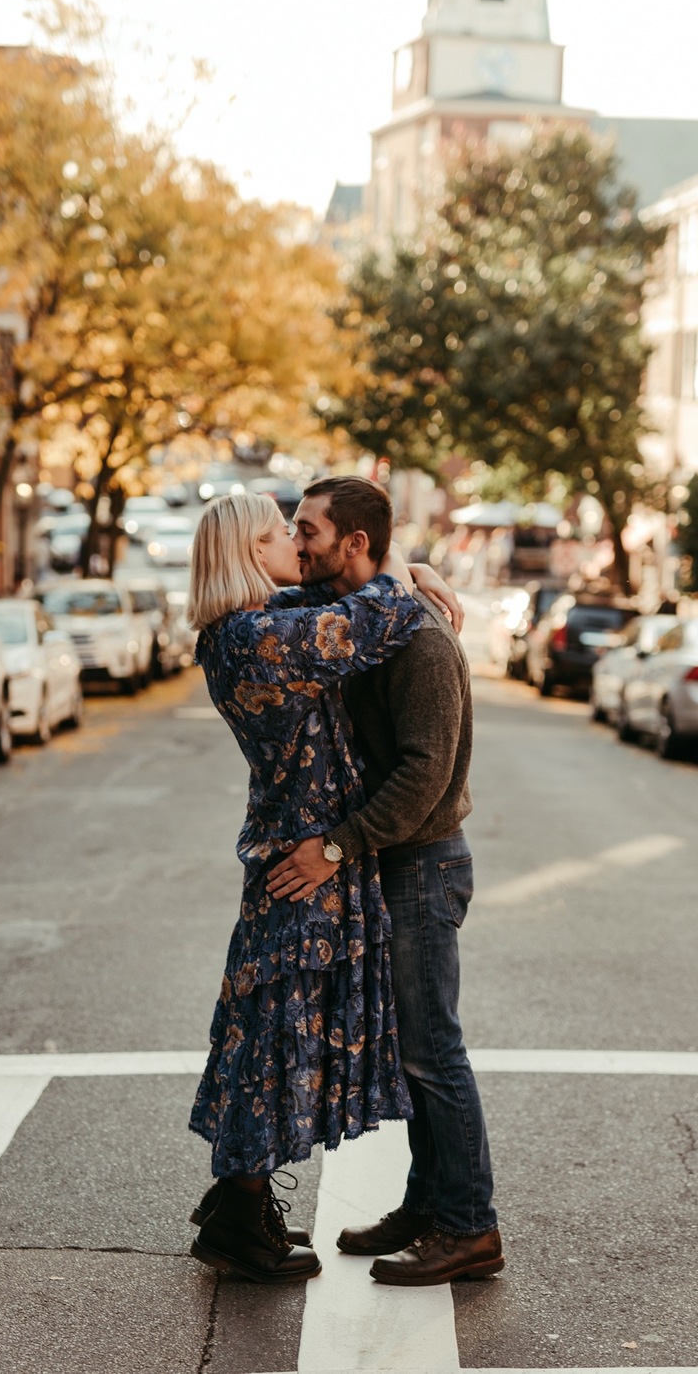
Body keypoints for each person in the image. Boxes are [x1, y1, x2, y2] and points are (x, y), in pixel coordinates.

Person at [184, 491, 430, 1286]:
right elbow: (369, 617)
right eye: (280, 533)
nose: (295, 543)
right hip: (302, 864)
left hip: (297, 851)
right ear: (252, 552)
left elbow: (331, 600)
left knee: (272, 1031)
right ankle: (239, 1222)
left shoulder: (251, 625)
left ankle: (238, 1204)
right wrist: (408, 575)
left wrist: (406, 575)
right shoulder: (257, 639)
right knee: (276, 1036)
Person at [268, 476, 502, 1287]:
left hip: (422, 865)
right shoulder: (367, 620)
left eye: (308, 531)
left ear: (354, 543)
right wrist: (416, 572)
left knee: (434, 1052)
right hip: (392, 864)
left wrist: (334, 847)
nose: (297, 544)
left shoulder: (420, 643)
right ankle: (430, 1204)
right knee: (413, 1054)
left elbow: (425, 773)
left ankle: (471, 1227)